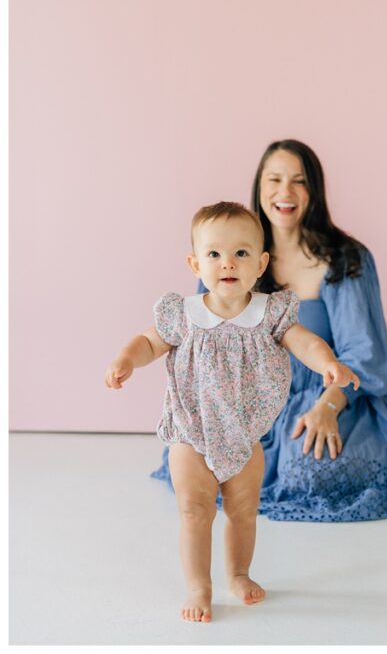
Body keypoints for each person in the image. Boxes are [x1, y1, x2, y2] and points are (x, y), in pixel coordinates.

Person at [153, 139, 387, 526]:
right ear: (259, 187)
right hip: (250, 399)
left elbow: (365, 356)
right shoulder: (230, 253)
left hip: (333, 397)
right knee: (197, 472)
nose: (285, 192)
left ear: (314, 192)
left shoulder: (344, 259)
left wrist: (328, 406)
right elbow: (204, 336)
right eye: (274, 179)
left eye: (298, 181)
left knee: (308, 474)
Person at [106, 202, 358, 622]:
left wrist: (327, 362)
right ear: (195, 263)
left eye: (241, 253)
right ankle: (198, 585)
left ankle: (239, 573)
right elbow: (148, 342)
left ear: (260, 263)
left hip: (245, 435)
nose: (228, 263)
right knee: (194, 510)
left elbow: (303, 342)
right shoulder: (183, 315)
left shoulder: (270, 313)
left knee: (243, 510)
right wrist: (126, 359)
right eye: (214, 254)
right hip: (192, 430)